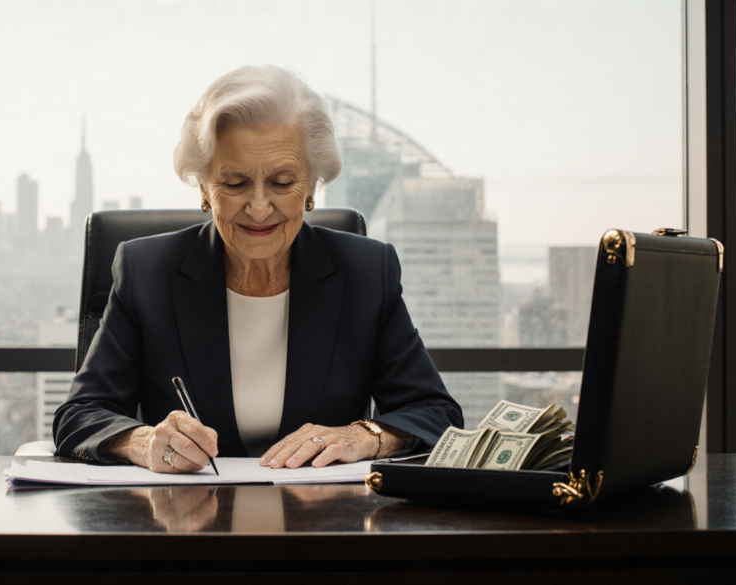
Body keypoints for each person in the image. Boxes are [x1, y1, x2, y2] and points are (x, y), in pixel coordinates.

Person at [53, 65, 462, 473]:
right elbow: (82, 414)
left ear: (312, 187)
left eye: (283, 182)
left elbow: (434, 412)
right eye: (234, 183)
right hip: (187, 523)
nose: (260, 206)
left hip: (325, 521)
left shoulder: (366, 272)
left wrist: (363, 436)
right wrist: (143, 442)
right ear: (203, 187)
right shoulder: (147, 272)